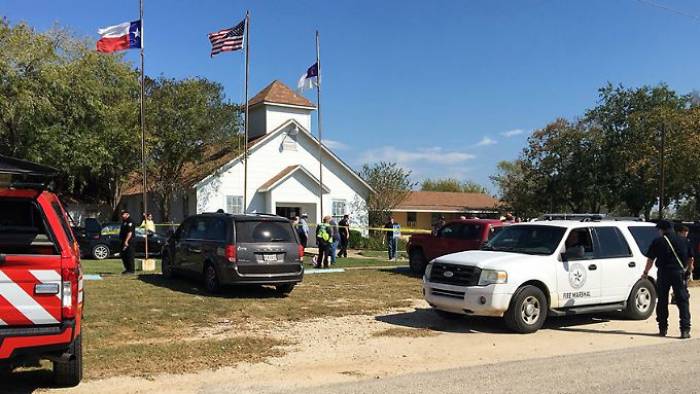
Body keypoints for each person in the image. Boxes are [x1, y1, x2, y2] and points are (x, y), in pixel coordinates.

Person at [642, 220, 693, 338]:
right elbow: (691, 259)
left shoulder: (657, 241)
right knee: (683, 301)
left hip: (663, 273)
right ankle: (685, 330)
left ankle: (662, 328)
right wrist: (688, 271)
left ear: (662, 230)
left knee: (662, 301)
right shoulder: (684, 240)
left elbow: (650, 259)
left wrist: (645, 273)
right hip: (679, 273)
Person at [119, 210, 136, 274]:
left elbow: (130, 232)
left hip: (129, 241)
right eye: (122, 214)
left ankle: (131, 270)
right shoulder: (124, 221)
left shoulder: (130, 221)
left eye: (123, 214)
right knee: (124, 255)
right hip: (123, 240)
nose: (122, 215)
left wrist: (126, 241)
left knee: (129, 255)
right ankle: (127, 269)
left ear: (127, 214)